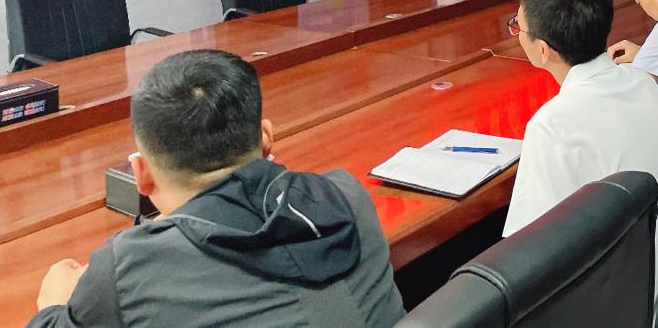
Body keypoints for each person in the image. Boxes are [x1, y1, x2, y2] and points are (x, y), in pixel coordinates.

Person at [29, 50, 405, 328]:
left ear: (142, 175)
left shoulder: (128, 268)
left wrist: (55, 305)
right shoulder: (347, 195)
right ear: (266, 138)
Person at [504, 0, 658, 305]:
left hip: (624, 303)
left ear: (543, 50)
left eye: (519, 28)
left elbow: (526, 253)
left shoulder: (552, 125)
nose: (518, 34)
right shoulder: (642, 81)